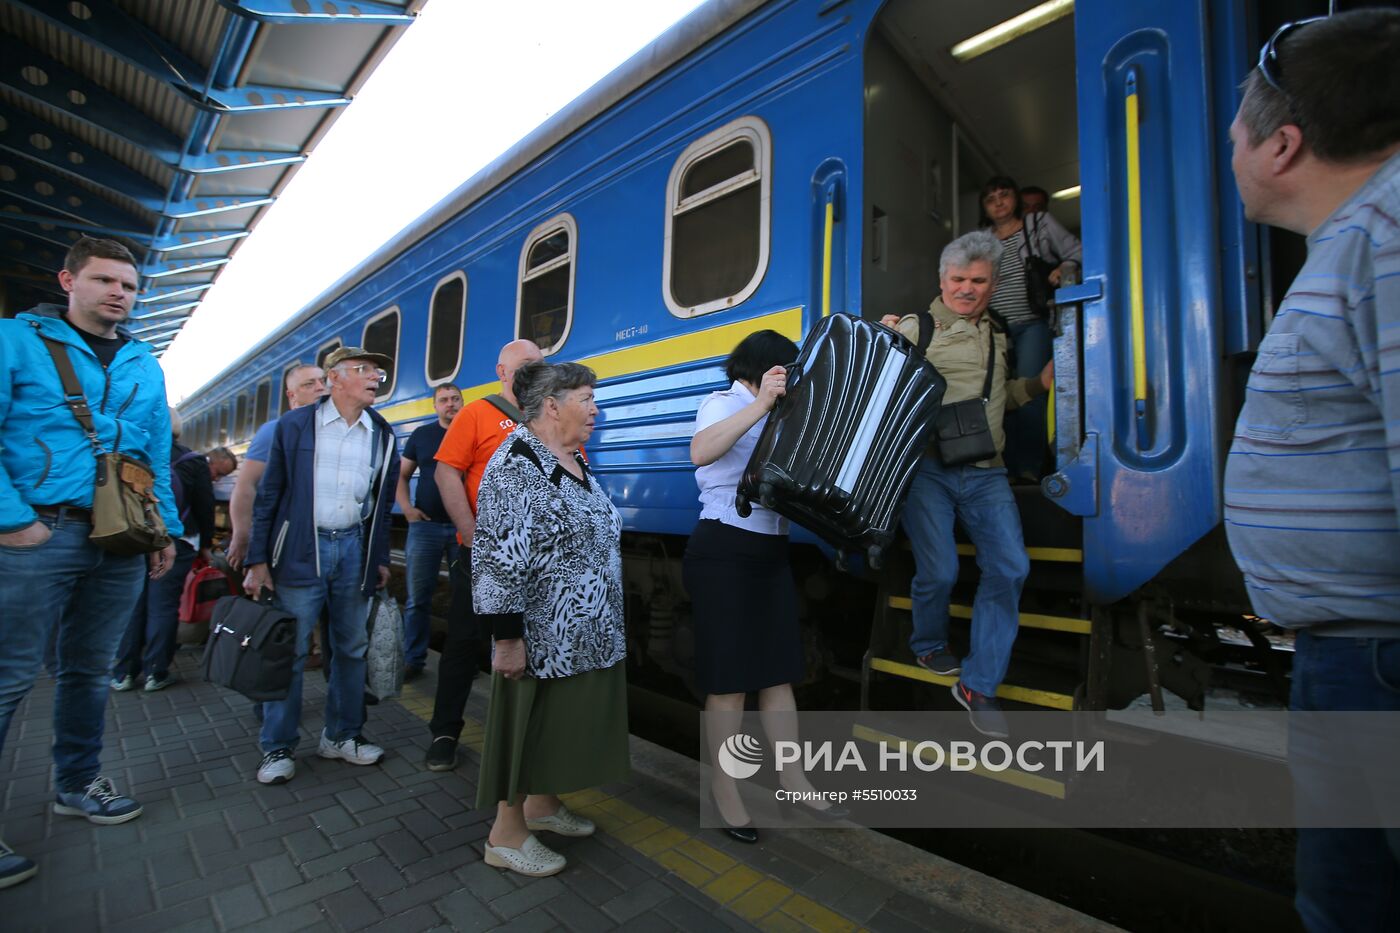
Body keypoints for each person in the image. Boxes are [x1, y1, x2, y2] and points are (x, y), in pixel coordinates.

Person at [1222, 11, 1400, 931]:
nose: (1230, 145)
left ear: (1283, 144)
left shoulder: (1388, 234)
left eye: (1239, 131)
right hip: (1355, 652)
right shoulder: (1358, 238)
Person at [0, 236, 181, 890]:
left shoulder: (143, 363)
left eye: (129, 286)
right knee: (10, 675)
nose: (118, 294)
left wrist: (166, 532)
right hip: (38, 530)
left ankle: (76, 782)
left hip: (120, 537)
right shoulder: (14, 342)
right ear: (68, 280)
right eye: (104, 280)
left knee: (89, 669)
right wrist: (11, 518)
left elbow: (154, 452)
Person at [881, 230, 1052, 738]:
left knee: (1011, 567)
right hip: (929, 470)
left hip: (987, 471)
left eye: (978, 281)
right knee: (940, 571)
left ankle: (978, 685)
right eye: (958, 279)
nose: (967, 289)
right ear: (942, 279)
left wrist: (1037, 386)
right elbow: (875, 382)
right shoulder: (918, 327)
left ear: (994, 283)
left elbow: (1004, 395)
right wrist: (881, 337)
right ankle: (928, 644)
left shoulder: (998, 334)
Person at [683, 330, 847, 843]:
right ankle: (725, 790)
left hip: (770, 553)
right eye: (786, 369)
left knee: (778, 676)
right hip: (724, 550)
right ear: (762, 368)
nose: (792, 378)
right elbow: (700, 452)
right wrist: (760, 402)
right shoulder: (723, 401)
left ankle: (794, 782)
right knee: (730, 684)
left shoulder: (782, 408)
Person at [472, 361, 626, 878]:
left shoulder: (568, 457)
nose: (595, 409)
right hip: (542, 635)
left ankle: (541, 805)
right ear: (553, 405)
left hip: (582, 631)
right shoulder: (516, 465)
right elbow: (499, 560)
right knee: (528, 726)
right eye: (586, 398)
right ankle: (506, 834)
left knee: (556, 723)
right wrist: (507, 639)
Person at [242, 347, 400, 785]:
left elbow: (381, 507)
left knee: (351, 650)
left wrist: (380, 556)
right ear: (334, 378)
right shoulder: (295, 426)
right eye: (363, 370)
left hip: (352, 548)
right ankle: (277, 747)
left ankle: (342, 736)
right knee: (290, 652)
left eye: (378, 371)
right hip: (300, 549)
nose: (375, 378)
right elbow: (268, 495)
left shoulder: (382, 433)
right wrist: (258, 558)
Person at [426, 338, 543, 772]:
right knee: (463, 642)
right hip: (483, 557)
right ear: (502, 371)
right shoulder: (477, 413)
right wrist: (470, 533)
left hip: (536, 564)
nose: (533, 372)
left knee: (526, 652)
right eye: (524, 365)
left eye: (539, 365)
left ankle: (521, 746)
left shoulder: (549, 415)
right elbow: (446, 473)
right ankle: (444, 731)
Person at [979, 176, 1080, 481]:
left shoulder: (1039, 224)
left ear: (1016, 199)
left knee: (1032, 391)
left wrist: (1063, 268)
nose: (999, 202)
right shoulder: (981, 240)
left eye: (1004, 194)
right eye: (991, 198)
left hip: (1034, 324)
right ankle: (1003, 465)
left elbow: (1077, 251)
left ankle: (1028, 468)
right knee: (996, 393)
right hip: (995, 328)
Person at [111, 409, 217, 693]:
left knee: (134, 604)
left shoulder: (131, 455)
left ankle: (123, 672)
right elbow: (205, 508)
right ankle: (156, 672)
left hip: (135, 539)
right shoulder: (193, 461)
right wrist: (206, 545)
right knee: (164, 605)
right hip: (178, 541)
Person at [226, 364, 327, 571]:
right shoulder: (274, 430)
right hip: (288, 540)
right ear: (292, 396)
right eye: (309, 384)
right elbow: (246, 486)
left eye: (323, 381)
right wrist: (242, 537)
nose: (320, 387)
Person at [396, 383, 464, 680]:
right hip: (425, 528)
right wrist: (406, 509)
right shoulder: (422, 436)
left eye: (455, 399)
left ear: (463, 402)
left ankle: (464, 662)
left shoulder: (471, 431)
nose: (450, 404)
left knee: (467, 600)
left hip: (464, 529)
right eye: (444, 400)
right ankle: (414, 659)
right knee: (418, 599)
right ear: (435, 405)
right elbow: (401, 475)